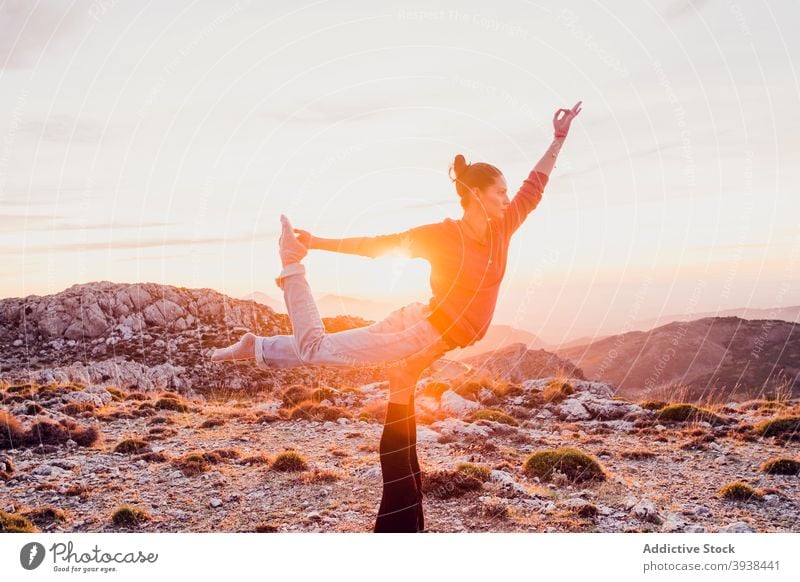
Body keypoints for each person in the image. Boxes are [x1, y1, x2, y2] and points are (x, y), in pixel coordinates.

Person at [210, 101, 582, 532]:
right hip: (421, 333)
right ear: (477, 195)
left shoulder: (503, 227)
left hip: (420, 324)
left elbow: (535, 187)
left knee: (388, 388)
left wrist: (558, 139)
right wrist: (315, 245)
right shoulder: (444, 236)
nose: (507, 198)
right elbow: (379, 244)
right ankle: (291, 265)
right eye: (500, 192)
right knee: (318, 348)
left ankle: (257, 347)